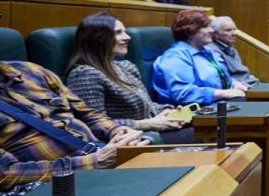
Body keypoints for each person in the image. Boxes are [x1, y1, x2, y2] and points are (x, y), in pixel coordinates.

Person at [0, 16, 148, 191]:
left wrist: (116, 130)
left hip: (102, 161)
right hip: (55, 187)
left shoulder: (32, 71)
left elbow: (85, 112)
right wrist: (95, 162)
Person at [65, 13, 193, 143]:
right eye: (118, 33)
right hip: (132, 140)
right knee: (202, 134)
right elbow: (94, 124)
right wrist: (148, 124)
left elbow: (147, 105)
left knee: (205, 127)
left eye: (124, 32)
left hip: (152, 132)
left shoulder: (126, 67)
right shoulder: (84, 74)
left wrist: (167, 111)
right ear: (98, 38)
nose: (127, 37)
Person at [152, 9, 248, 105]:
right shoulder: (175, 56)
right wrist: (224, 93)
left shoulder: (207, 50)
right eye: (206, 27)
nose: (212, 30)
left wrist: (235, 84)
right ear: (189, 31)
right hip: (191, 113)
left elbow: (224, 78)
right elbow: (184, 94)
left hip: (219, 104)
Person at [206, 16, 261, 88]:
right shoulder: (213, 51)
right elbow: (225, 79)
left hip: (247, 83)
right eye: (228, 30)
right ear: (215, 34)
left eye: (234, 29)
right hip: (238, 88)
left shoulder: (229, 45)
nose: (234, 33)